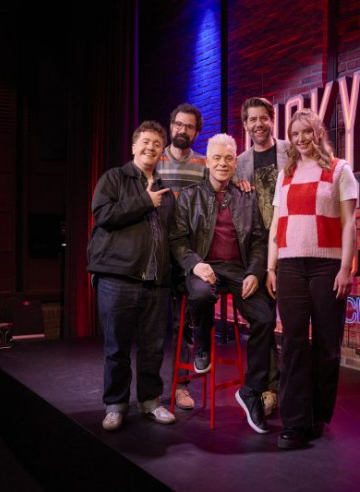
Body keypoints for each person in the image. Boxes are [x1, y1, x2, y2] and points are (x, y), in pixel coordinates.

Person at [170, 133, 275, 434]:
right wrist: (195, 264)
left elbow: (258, 241)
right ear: (207, 161)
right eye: (216, 158)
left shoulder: (246, 197)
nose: (222, 163)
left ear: (234, 163)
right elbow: (177, 240)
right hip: (203, 266)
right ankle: (203, 342)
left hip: (238, 270)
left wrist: (254, 272)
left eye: (229, 158)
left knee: (265, 318)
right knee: (202, 294)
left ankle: (251, 391)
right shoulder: (189, 197)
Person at [266, 108, 358, 449]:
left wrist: (345, 268)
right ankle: (293, 422)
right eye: (295, 134)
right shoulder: (286, 173)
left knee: (327, 345)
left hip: (327, 266)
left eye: (306, 132)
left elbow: (349, 223)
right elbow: (277, 224)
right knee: (293, 342)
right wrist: (271, 267)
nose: (301, 139)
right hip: (290, 264)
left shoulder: (339, 169)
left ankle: (318, 414)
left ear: (318, 132)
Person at [87, 120, 177, 432]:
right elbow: (102, 215)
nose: (151, 147)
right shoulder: (114, 178)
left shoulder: (166, 190)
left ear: (162, 151)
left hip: (156, 282)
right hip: (118, 278)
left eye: (157, 144)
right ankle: (115, 405)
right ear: (134, 146)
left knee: (153, 348)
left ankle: (150, 401)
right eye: (145, 141)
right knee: (117, 348)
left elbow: (171, 235)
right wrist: (144, 202)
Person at [237, 97, 288, 416]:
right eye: (252, 119)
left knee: (295, 321)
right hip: (257, 252)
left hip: (290, 245)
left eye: (263, 118)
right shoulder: (239, 163)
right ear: (245, 125)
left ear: (272, 119)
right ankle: (270, 388)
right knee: (264, 319)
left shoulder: (290, 152)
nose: (258, 124)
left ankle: (294, 386)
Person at [156, 103, 207, 411]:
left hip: (187, 253)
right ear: (171, 125)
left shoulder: (204, 164)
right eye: (178, 124)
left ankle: (180, 387)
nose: (182, 130)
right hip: (156, 253)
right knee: (153, 326)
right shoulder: (155, 160)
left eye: (189, 126)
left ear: (196, 132)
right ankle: (150, 391)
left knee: (182, 325)